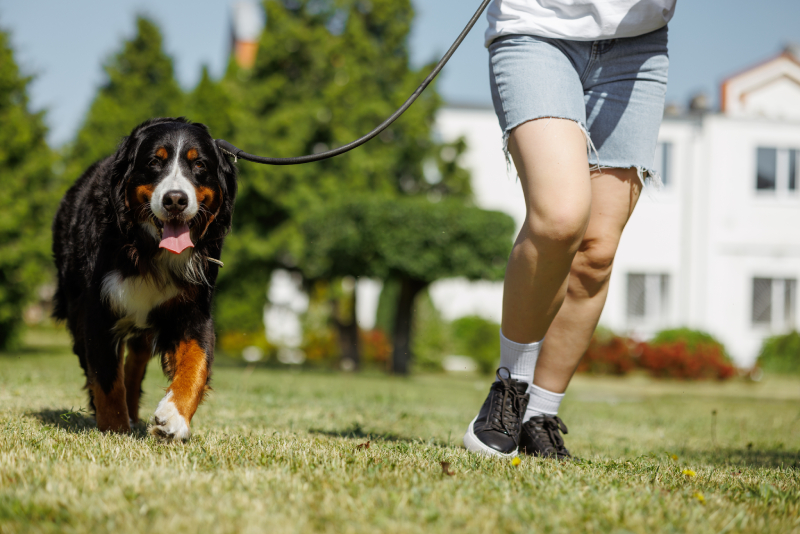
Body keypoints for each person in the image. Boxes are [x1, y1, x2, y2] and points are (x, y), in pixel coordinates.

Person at [463, 0, 677, 458]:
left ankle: (539, 413)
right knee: (560, 218)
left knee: (596, 252)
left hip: (637, 47)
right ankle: (510, 389)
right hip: (537, 28)